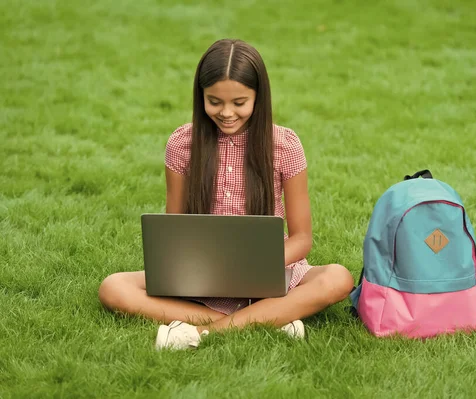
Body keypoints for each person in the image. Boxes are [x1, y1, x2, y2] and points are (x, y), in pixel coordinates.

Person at [98, 39, 354, 350]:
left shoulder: (284, 145)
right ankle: (269, 319)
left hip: (270, 270)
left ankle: (203, 330)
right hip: (203, 276)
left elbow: (301, 238)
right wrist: (200, 267)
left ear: (259, 97)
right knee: (113, 287)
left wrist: (256, 264)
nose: (227, 113)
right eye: (215, 101)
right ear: (200, 96)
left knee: (338, 278)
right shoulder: (182, 144)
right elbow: (174, 229)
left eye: (240, 102)